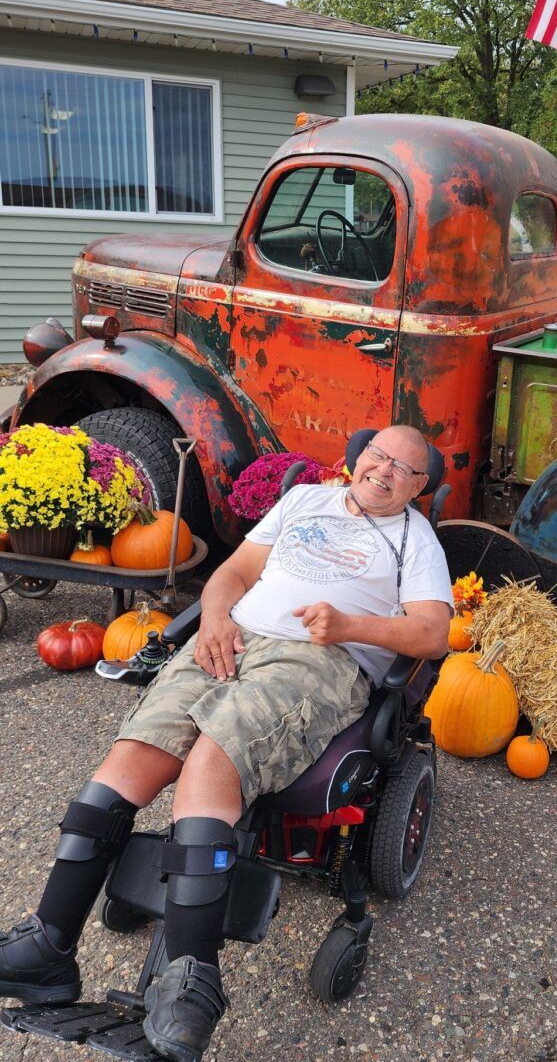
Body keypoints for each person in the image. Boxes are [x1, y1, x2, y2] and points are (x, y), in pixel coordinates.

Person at [0, 425, 452, 1062]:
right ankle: (48, 944)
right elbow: (234, 572)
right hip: (229, 638)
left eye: (403, 468)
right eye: (377, 455)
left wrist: (350, 624)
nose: (384, 470)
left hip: (315, 660)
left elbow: (433, 633)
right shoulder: (304, 501)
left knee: (212, 762)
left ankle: (193, 980)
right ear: (358, 459)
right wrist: (213, 619)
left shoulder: (415, 539)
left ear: (419, 485)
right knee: (130, 758)